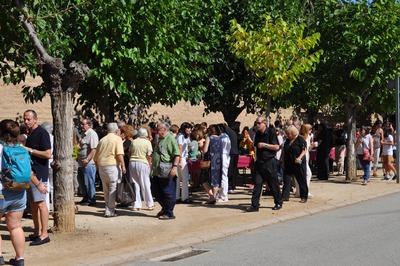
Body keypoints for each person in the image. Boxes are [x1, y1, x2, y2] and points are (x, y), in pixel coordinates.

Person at [0, 120, 27, 266]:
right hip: (19, 190)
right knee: (16, 226)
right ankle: (19, 259)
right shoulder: (21, 148)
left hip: (2, 192)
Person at [23, 110, 51, 246]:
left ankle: (44, 234)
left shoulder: (42, 133)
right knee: (33, 205)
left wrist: (30, 150)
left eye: (28, 119)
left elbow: (48, 154)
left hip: (39, 174)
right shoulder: (31, 134)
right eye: (24, 119)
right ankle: (37, 231)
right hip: (31, 174)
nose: (26, 121)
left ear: (35, 119)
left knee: (41, 204)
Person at [246, 116, 282, 212]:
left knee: (273, 183)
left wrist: (264, 145)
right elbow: (255, 146)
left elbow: (277, 147)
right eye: (256, 123)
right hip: (260, 162)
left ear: (264, 123)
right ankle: (254, 205)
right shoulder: (257, 133)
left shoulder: (271, 132)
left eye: (258, 123)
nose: (256, 125)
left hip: (270, 162)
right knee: (257, 184)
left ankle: (278, 202)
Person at [93, 123, 126, 217]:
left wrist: (97, 167)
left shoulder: (102, 140)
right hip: (112, 166)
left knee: (106, 189)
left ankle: (108, 208)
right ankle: (110, 210)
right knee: (112, 188)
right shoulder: (117, 139)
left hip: (102, 166)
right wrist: (123, 166)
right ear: (116, 130)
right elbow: (119, 154)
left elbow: (96, 157)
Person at [152, 122, 180, 220]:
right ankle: (165, 208)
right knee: (155, 191)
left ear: (164, 130)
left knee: (168, 192)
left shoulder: (171, 139)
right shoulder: (159, 138)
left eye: (158, 129)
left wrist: (174, 167)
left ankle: (169, 212)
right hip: (156, 170)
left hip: (166, 169)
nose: (156, 131)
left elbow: (177, 154)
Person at [129, 128, 154, 211]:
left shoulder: (134, 141)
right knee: (145, 183)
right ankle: (150, 204)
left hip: (132, 162)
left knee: (135, 184)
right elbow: (149, 155)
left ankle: (136, 205)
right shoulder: (147, 142)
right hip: (143, 162)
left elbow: (130, 152)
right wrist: (149, 164)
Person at [282, 126, 308, 203]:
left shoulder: (300, 139)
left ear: (293, 133)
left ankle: (304, 196)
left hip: (298, 163)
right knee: (286, 180)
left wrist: (299, 158)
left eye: (288, 134)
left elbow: (304, 150)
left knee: (301, 180)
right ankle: (285, 196)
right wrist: (282, 160)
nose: (287, 135)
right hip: (288, 163)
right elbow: (285, 151)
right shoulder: (287, 140)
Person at [77, 119, 99, 206]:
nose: (81, 126)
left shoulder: (92, 134)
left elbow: (94, 149)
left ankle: (92, 199)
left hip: (88, 163)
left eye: (83, 124)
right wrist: (73, 156)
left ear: (89, 125)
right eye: (81, 124)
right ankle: (86, 197)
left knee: (89, 181)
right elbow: (78, 146)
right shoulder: (83, 134)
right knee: (82, 182)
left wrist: (87, 159)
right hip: (80, 162)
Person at [202, 125, 222, 204]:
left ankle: (211, 196)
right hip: (218, 160)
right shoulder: (220, 138)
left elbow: (205, 150)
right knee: (216, 179)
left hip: (210, 160)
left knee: (204, 179)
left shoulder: (209, 138)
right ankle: (213, 197)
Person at [176, 122, 192, 203]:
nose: (189, 130)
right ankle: (184, 197)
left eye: (190, 128)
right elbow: (180, 147)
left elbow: (189, 145)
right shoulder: (181, 136)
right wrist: (180, 159)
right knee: (185, 178)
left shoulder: (186, 137)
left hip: (183, 158)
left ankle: (177, 196)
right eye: (188, 128)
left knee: (179, 178)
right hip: (181, 158)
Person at [224, 123, 239, 193]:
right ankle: (232, 185)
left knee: (230, 170)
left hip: (231, 153)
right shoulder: (233, 133)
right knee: (234, 169)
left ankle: (230, 186)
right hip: (235, 153)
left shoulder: (227, 133)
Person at [218, 124, 231, 202]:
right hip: (226, 156)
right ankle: (223, 194)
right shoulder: (226, 137)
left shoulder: (222, 137)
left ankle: (223, 195)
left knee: (223, 176)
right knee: (224, 176)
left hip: (223, 156)